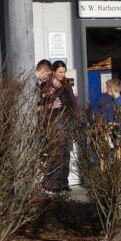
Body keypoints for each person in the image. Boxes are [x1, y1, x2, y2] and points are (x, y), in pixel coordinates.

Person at [42, 61, 78, 194]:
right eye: (60, 72)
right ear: (53, 71)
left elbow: (73, 102)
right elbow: (40, 106)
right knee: (56, 155)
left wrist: (76, 118)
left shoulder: (66, 84)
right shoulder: (46, 86)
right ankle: (50, 184)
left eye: (64, 71)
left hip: (67, 122)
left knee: (66, 154)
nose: (62, 74)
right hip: (54, 124)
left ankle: (63, 183)